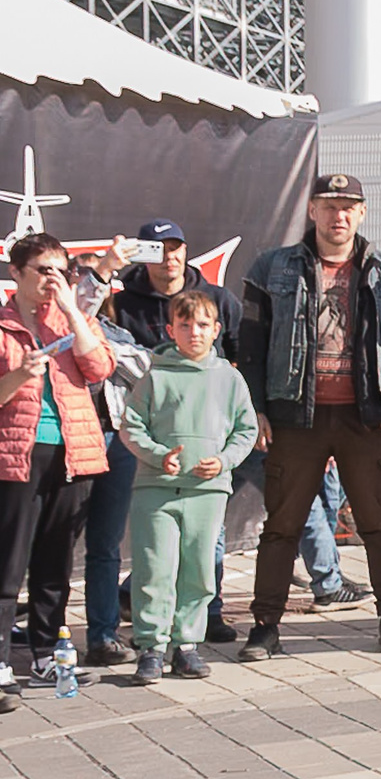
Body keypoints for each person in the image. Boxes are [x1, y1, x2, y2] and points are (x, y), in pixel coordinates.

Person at [236, 172, 381, 660]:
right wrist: (256, 408)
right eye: (328, 205)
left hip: (367, 419)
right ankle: (265, 626)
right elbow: (251, 348)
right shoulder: (270, 269)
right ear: (312, 211)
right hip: (294, 417)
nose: (338, 215)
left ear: (361, 212)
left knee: (379, 524)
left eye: (348, 206)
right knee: (282, 524)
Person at [0, 234, 117, 708]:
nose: (53, 280)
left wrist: (72, 310)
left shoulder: (73, 320)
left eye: (60, 271)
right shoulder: (4, 325)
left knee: (55, 564)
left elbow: (100, 368)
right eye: (43, 271)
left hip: (74, 454)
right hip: (17, 457)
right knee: (7, 566)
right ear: (16, 274)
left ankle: (48, 653)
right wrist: (20, 375)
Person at [119, 291, 257, 683]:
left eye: (201, 325)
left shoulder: (229, 378)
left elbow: (245, 430)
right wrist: (158, 454)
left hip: (207, 492)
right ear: (170, 330)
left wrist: (225, 461)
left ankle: (187, 646)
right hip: (156, 490)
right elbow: (131, 426)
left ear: (216, 330)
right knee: (154, 568)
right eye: (184, 324)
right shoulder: (156, 375)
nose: (193, 332)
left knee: (198, 569)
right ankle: (150, 647)